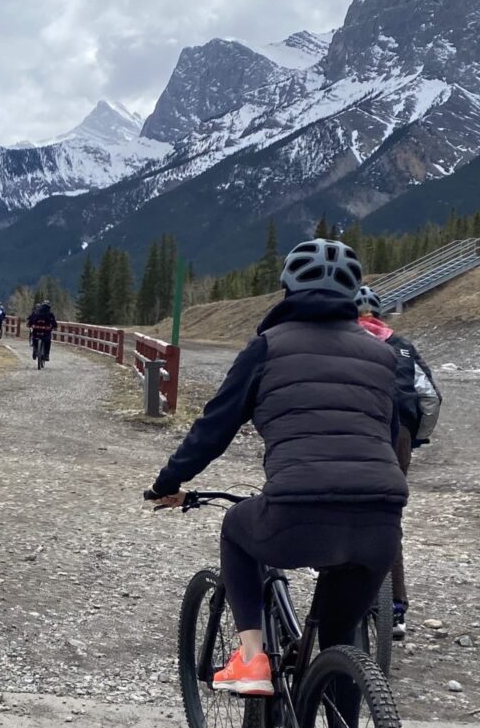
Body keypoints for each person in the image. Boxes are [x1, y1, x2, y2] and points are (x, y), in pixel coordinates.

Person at [147, 239, 407, 696]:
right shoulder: (384, 356)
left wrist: (169, 481)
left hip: (297, 512)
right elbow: (389, 436)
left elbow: (215, 427)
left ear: (287, 288)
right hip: (381, 520)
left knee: (235, 529)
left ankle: (250, 658)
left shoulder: (268, 347)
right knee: (340, 638)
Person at [355, 286, 437, 641]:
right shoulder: (402, 346)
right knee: (387, 516)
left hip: (355, 429)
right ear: (380, 316)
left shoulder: (339, 340)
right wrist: (416, 435)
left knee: (344, 505)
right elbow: (430, 397)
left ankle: (342, 587)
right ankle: (396, 609)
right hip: (399, 433)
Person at [26, 299, 57, 363]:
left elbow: (31, 319)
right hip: (46, 331)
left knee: (34, 338)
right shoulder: (50, 314)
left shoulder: (36, 312)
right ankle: (46, 355)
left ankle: (35, 349)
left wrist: (30, 325)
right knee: (48, 342)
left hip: (36, 330)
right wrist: (54, 326)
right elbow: (54, 323)